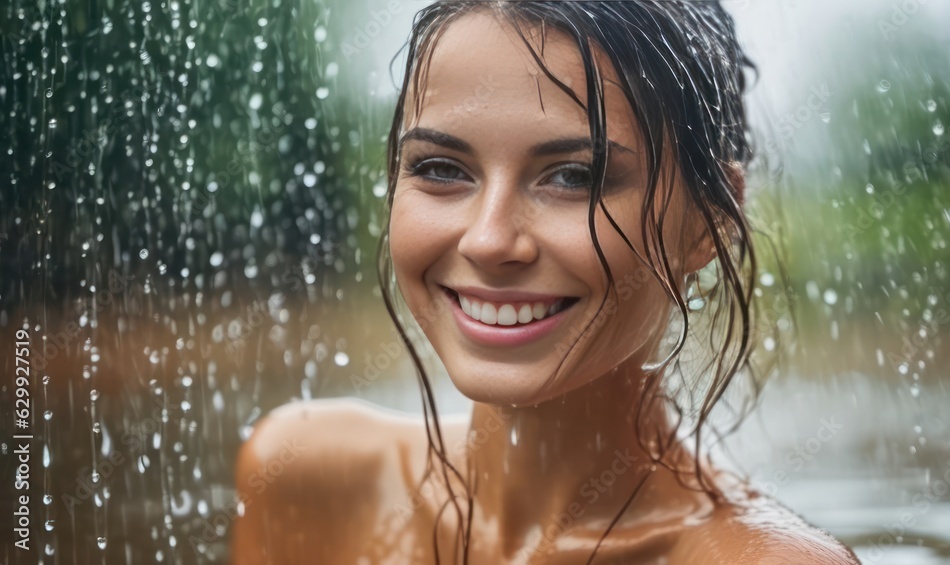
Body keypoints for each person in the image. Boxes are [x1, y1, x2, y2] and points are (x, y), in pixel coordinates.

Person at [231, 1, 861, 563]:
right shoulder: (307, 482)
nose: (488, 240)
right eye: (442, 168)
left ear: (707, 224)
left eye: (574, 177)